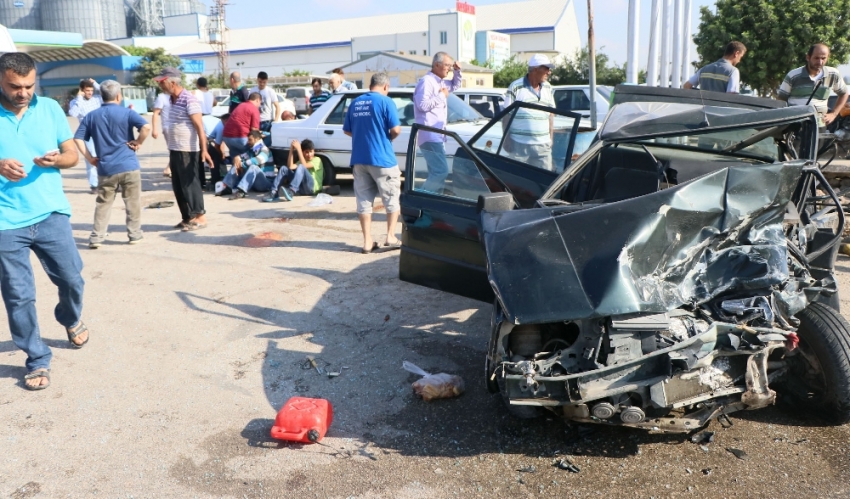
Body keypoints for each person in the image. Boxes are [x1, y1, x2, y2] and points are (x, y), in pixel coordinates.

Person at [0, 52, 89, 390]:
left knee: (72, 279)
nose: (23, 92)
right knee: (18, 295)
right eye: (14, 86)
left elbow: (71, 154)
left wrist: (56, 161)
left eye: (29, 85)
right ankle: (37, 358)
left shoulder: (50, 108)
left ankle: (68, 317)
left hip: (50, 211)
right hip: (6, 219)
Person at [73, 80, 151, 248]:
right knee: (132, 202)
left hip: (106, 167)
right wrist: (138, 142)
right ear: (118, 96)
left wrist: (90, 158)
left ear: (101, 96)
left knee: (103, 203)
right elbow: (146, 127)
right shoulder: (127, 113)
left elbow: (78, 138)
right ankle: (134, 235)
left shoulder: (92, 116)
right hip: (129, 165)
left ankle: (97, 237)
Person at [343, 72, 402, 254]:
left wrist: (364, 137)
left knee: (364, 201)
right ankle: (390, 236)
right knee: (391, 198)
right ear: (385, 87)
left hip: (359, 160)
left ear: (371, 85)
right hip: (383, 159)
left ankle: (367, 242)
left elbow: (347, 130)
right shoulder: (386, 102)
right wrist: (385, 137)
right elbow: (396, 130)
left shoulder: (355, 103)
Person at [154, 66, 212, 231]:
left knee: (190, 183)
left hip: (187, 148)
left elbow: (199, 127)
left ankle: (200, 216)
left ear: (172, 82)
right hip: (175, 147)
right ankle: (187, 217)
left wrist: (204, 150)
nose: (160, 86)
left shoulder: (189, 99)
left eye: (162, 83)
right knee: (178, 184)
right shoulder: (171, 100)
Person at [413, 51, 462, 193]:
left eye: (450, 66)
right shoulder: (427, 82)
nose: (449, 68)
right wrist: (442, 96)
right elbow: (422, 105)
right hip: (430, 134)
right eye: (447, 65)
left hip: (437, 135)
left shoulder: (438, 81)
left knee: (436, 173)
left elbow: (455, 85)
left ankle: (432, 207)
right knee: (441, 172)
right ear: (436, 65)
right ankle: (420, 202)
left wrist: (457, 72)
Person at [502, 54, 557, 171]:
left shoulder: (548, 88)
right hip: (519, 145)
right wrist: (506, 139)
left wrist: (550, 138)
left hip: (543, 146)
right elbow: (506, 115)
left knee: (544, 182)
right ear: (536, 69)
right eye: (546, 68)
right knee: (518, 181)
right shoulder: (516, 87)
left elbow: (551, 115)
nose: (549, 72)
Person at [778, 43, 849, 127]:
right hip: (794, 126)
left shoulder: (833, 74)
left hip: (819, 125)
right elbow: (780, 100)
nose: (820, 62)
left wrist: (833, 114)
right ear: (808, 57)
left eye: (823, 58)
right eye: (816, 58)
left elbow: (844, 94)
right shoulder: (793, 75)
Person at [68, 78, 102, 193]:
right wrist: (79, 98)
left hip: (100, 131)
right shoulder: (75, 102)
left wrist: (95, 84)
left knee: (106, 156)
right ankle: (94, 185)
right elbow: (73, 113)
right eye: (87, 90)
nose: (90, 93)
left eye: (91, 90)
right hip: (87, 133)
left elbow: (107, 93)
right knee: (91, 158)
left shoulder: (97, 99)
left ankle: (109, 182)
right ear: (82, 90)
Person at [221, 129, 272, 199]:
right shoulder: (252, 150)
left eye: (250, 140)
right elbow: (241, 157)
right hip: (255, 183)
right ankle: (227, 187)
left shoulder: (265, 149)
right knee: (237, 164)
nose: (248, 142)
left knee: (253, 167)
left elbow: (257, 160)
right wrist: (237, 158)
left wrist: (242, 164)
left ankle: (241, 191)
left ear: (257, 139)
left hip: (265, 183)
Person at [222, 92, 261, 157]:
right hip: (240, 137)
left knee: (236, 161)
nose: (259, 105)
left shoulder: (241, 105)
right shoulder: (254, 109)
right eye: (260, 103)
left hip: (227, 137)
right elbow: (254, 130)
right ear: (257, 100)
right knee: (245, 159)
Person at [152, 91, 172, 178]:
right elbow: (156, 113)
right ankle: (169, 169)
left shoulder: (178, 96)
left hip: (179, 127)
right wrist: (155, 129)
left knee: (175, 150)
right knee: (173, 150)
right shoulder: (162, 97)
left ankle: (169, 169)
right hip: (168, 127)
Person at [205, 113, 229, 188]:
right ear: (225, 120)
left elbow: (218, 143)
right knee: (215, 157)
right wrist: (221, 155)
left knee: (212, 155)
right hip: (200, 138)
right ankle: (215, 181)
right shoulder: (221, 127)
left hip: (201, 136)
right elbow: (217, 145)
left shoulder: (217, 121)